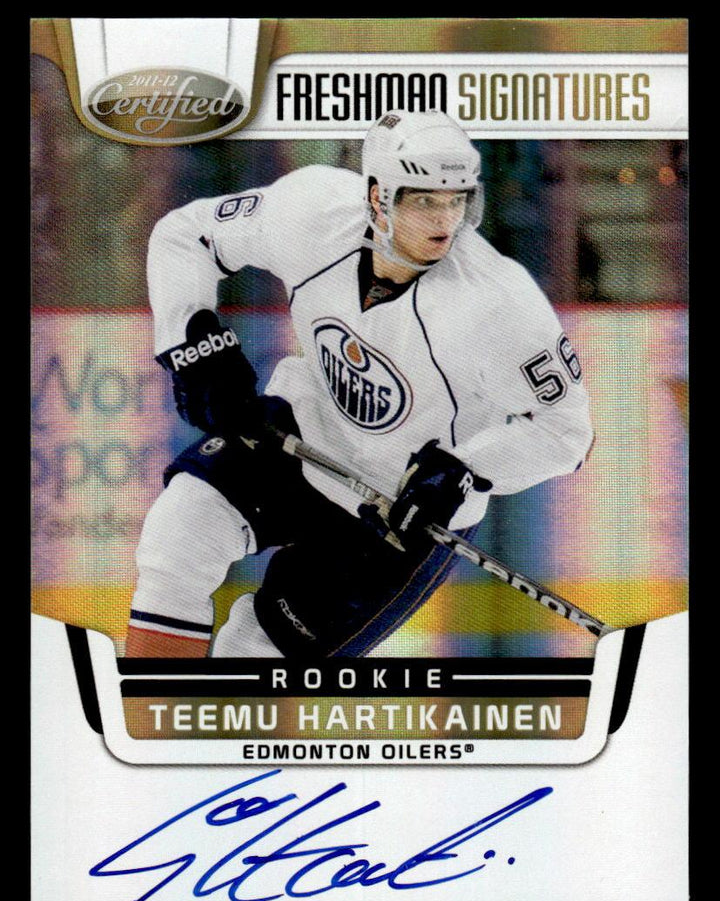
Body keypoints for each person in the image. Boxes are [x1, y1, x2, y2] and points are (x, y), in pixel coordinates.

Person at [125, 109, 593, 659]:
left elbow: (566, 433)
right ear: (377, 197)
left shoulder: (499, 302)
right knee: (180, 534)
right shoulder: (313, 210)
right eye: (424, 200)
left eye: (457, 199)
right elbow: (186, 235)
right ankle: (149, 708)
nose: (445, 220)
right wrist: (193, 342)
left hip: (400, 516)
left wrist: (463, 470)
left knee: (255, 655)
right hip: (301, 437)